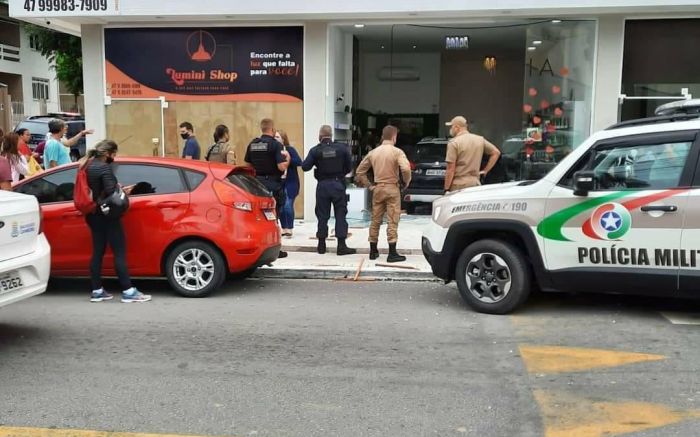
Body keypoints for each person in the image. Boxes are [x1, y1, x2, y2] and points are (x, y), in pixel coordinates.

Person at [83, 139, 151, 303]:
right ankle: (128, 291)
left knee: (98, 252)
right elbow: (110, 192)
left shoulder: (87, 165)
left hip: (92, 214)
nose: (115, 157)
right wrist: (123, 191)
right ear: (107, 154)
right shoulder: (104, 167)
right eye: (114, 154)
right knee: (119, 252)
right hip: (108, 215)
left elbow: (95, 189)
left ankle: (97, 290)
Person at [355, 125, 412, 263]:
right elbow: (405, 168)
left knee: (375, 220)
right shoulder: (397, 152)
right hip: (392, 188)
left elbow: (359, 172)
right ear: (394, 137)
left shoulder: (373, 152)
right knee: (392, 220)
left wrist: (369, 186)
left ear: (382, 136)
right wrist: (406, 181)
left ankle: (373, 251)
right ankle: (392, 253)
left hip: (378, 188)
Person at [302, 125, 356, 256]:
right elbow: (349, 167)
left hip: (323, 185)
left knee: (322, 215)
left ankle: (321, 245)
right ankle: (341, 246)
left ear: (320, 136)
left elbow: (305, 167)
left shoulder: (315, 150)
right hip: (338, 184)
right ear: (331, 135)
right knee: (340, 214)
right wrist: (339, 174)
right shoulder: (342, 149)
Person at [244, 118, 291, 258]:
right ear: (272, 129)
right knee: (273, 218)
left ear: (262, 128)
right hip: (272, 184)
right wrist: (287, 160)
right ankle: (275, 249)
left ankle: (259, 247)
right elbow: (281, 167)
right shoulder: (275, 145)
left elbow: (247, 165)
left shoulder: (253, 144)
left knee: (258, 218)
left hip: (256, 185)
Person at [443, 116, 501, 192]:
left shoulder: (454, 143)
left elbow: (450, 169)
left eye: (451, 127)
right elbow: (496, 152)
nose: (450, 129)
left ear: (457, 127)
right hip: (475, 183)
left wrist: (446, 189)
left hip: (458, 184)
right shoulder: (479, 139)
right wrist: (485, 171)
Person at [274, 129, 302, 237]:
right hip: (279, 181)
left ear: (283, 139)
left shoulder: (290, 149)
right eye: (274, 137)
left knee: (288, 204)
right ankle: (284, 227)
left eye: (277, 137)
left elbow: (299, 162)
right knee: (280, 206)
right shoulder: (274, 151)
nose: (275, 139)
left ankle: (289, 227)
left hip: (291, 182)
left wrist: (289, 160)